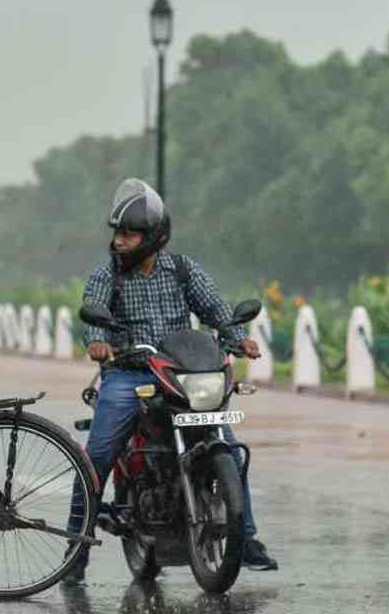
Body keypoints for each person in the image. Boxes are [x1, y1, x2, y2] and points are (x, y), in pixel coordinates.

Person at [64, 178, 279, 585]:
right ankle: (76, 544)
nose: (119, 241)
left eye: (129, 234)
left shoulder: (182, 270)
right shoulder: (107, 274)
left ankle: (245, 538)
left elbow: (217, 311)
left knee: (228, 448)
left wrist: (238, 339)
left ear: (152, 237)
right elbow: (91, 312)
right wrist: (97, 343)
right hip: (129, 375)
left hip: (183, 374)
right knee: (97, 459)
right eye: (118, 233)